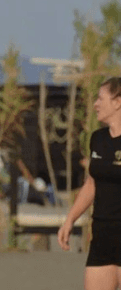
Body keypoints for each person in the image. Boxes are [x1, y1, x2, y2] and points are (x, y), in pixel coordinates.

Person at [58, 77, 121, 290]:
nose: (95, 103)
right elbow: (91, 184)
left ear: (117, 101)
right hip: (102, 238)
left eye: (100, 98)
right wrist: (70, 220)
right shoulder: (98, 139)